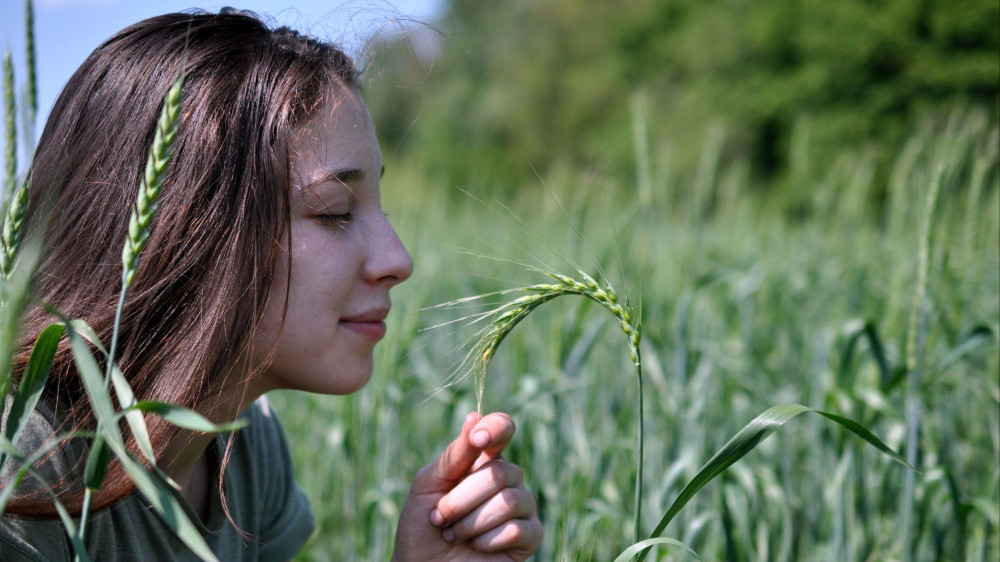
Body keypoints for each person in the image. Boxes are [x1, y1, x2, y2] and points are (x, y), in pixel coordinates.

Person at [0, 9, 543, 561]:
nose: (397, 259)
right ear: (191, 234)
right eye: (334, 211)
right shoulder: (20, 473)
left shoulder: (242, 445)